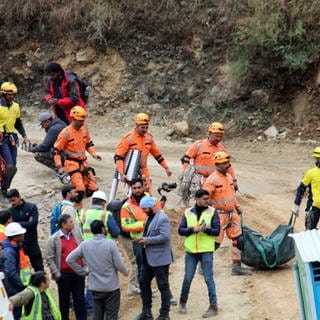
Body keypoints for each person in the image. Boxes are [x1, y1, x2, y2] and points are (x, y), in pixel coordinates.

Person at [66, 220, 128, 320]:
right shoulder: (110, 243)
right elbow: (119, 264)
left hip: (95, 287)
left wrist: (82, 272)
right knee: (112, 316)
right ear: (103, 229)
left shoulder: (85, 244)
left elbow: (69, 259)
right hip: (111, 287)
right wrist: (126, 272)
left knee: (97, 316)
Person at [203, 151, 251, 276]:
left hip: (232, 214)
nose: (228, 165)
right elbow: (204, 198)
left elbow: (231, 195)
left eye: (228, 162)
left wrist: (237, 206)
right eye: (225, 163)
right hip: (218, 215)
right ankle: (203, 265)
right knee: (215, 243)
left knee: (238, 240)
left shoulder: (229, 178)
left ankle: (236, 267)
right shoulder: (212, 180)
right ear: (217, 164)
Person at [178, 189, 220, 318]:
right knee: (188, 277)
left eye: (209, 198)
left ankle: (213, 306)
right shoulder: (187, 212)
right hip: (191, 251)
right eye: (205, 199)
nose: (208, 201)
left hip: (206, 250)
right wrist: (193, 229)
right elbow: (181, 230)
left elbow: (216, 231)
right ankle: (182, 302)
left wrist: (205, 229)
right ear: (197, 199)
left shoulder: (213, 212)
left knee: (208, 278)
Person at [133, 195, 173, 320]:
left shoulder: (162, 218)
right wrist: (142, 239)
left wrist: (147, 240)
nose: (143, 211)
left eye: (145, 209)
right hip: (148, 258)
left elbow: (165, 237)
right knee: (143, 283)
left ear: (152, 206)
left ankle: (164, 314)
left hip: (160, 259)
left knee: (163, 286)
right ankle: (146, 312)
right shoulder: (149, 217)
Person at [179, 122, 238, 206]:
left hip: (216, 180)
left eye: (220, 137)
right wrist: (185, 176)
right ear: (209, 133)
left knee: (214, 201)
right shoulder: (199, 145)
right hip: (200, 180)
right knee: (202, 202)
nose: (218, 139)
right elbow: (186, 158)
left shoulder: (222, 148)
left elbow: (228, 165)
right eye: (216, 136)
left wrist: (234, 180)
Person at [54, 106, 102, 208]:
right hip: (71, 164)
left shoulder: (84, 130)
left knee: (94, 188)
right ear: (73, 118)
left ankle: (88, 207)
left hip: (83, 163)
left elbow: (88, 144)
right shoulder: (65, 133)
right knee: (80, 188)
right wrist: (60, 167)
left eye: (83, 120)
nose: (82, 123)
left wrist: (94, 154)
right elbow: (56, 151)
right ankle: (76, 208)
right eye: (80, 120)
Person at [114, 112, 172, 192]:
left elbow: (157, 155)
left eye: (146, 127)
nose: (145, 130)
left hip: (144, 171)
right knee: (135, 194)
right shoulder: (128, 138)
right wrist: (121, 173)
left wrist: (166, 168)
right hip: (131, 171)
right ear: (137, 126)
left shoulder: (149, 138)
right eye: (142, 127)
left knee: (148, 193)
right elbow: (118, 157)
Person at [46, 214, 86, 320]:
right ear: (64, 225)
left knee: (80, 301)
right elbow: (49, 258)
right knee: (64, 303)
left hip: (78, 273)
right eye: (70, 222)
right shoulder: (53, 239)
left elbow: (83, 250)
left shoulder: (76, 234)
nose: (73, 223)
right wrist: (57, 274)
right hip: (64, 275)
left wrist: (85, 267)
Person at [0, 82, 29, 197]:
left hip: (12, 137)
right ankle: (4, 188)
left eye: (13, 95)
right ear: (3, 94)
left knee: (13, 167)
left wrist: (24, 135)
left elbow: (18, 122)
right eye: (9, 94)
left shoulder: (16, 106)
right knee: (10, 165)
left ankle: (4, 188)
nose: (12, 97)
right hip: (1, 138)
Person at [6, 189, 43, 271]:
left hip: (32, 243)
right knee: (22, 269)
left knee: (39, 268)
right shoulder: (10, 211)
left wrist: (16, 224)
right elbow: (10, 226)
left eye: (13, 200)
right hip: (19, 245)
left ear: (19, 197)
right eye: (10, 201)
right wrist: (27, 223)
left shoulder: (31, 207)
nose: (12, 203)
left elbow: (33, 224)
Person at [2, 222, 27, 319]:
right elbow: (10, 271)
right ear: (15, 237)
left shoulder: (13, 247)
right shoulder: (9, 251)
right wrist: (21, 285)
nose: (23, 235)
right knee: (14, 314)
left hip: (11, 286)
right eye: (21, 234)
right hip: (11, 288)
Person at [291, 147, 320, 230]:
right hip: (313, 208)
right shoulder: (311, 173)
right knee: (309, 233)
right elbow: (301, 189)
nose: (317, 160)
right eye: (316, 158)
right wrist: (296, 204)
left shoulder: (311, 172)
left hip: (314, 207)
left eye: (317, 158)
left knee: (309, 233)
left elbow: (301, 189)